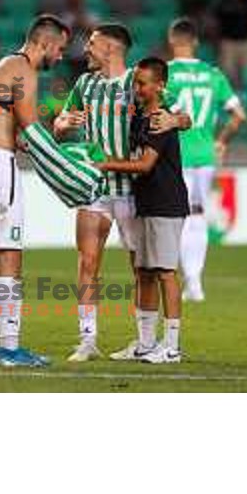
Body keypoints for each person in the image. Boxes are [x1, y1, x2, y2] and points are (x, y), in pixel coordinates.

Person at [54, 23, 191, 362]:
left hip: (134, 190)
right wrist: (62, 124)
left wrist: (176, 122)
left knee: (143, 269)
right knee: (87, 262)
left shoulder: (138, 81)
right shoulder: (84, 84)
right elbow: (58, 124)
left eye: (92, 43)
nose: (86, 48)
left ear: (111, 48)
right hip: (95, 189)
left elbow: (183, 116)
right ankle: (87, 339)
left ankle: (145, 341)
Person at [0, 14, 69, 368]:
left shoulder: (3, 64)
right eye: (61, 49)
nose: (63, 56)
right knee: (9, 254)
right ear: (46, 43)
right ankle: (10, 348)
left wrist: (23, 138)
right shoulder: (24, 69)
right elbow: (32, 129)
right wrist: (70, 168)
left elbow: (11, 126)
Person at [95, 58, 189, 363]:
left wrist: (105, 163)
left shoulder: (161, 119)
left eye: (143, 83)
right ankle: (146, 343)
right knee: (145, 273)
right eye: (135, 82)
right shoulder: (140, 118)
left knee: (165, 272)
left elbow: (146, 164)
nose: (137, 88)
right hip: (146, 204)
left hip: (166, 203)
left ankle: (172, 346)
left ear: (160, 85)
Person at [164, 18, 245, 302]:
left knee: (176, 217)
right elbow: (238, 116)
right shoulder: (213, 74)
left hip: (178, 155)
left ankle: (186, 281)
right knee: (197, 214)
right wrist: (221, 141)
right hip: (205, 156)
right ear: (196, 41)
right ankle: (195, 284)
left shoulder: (165, 74)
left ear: (172, 40)